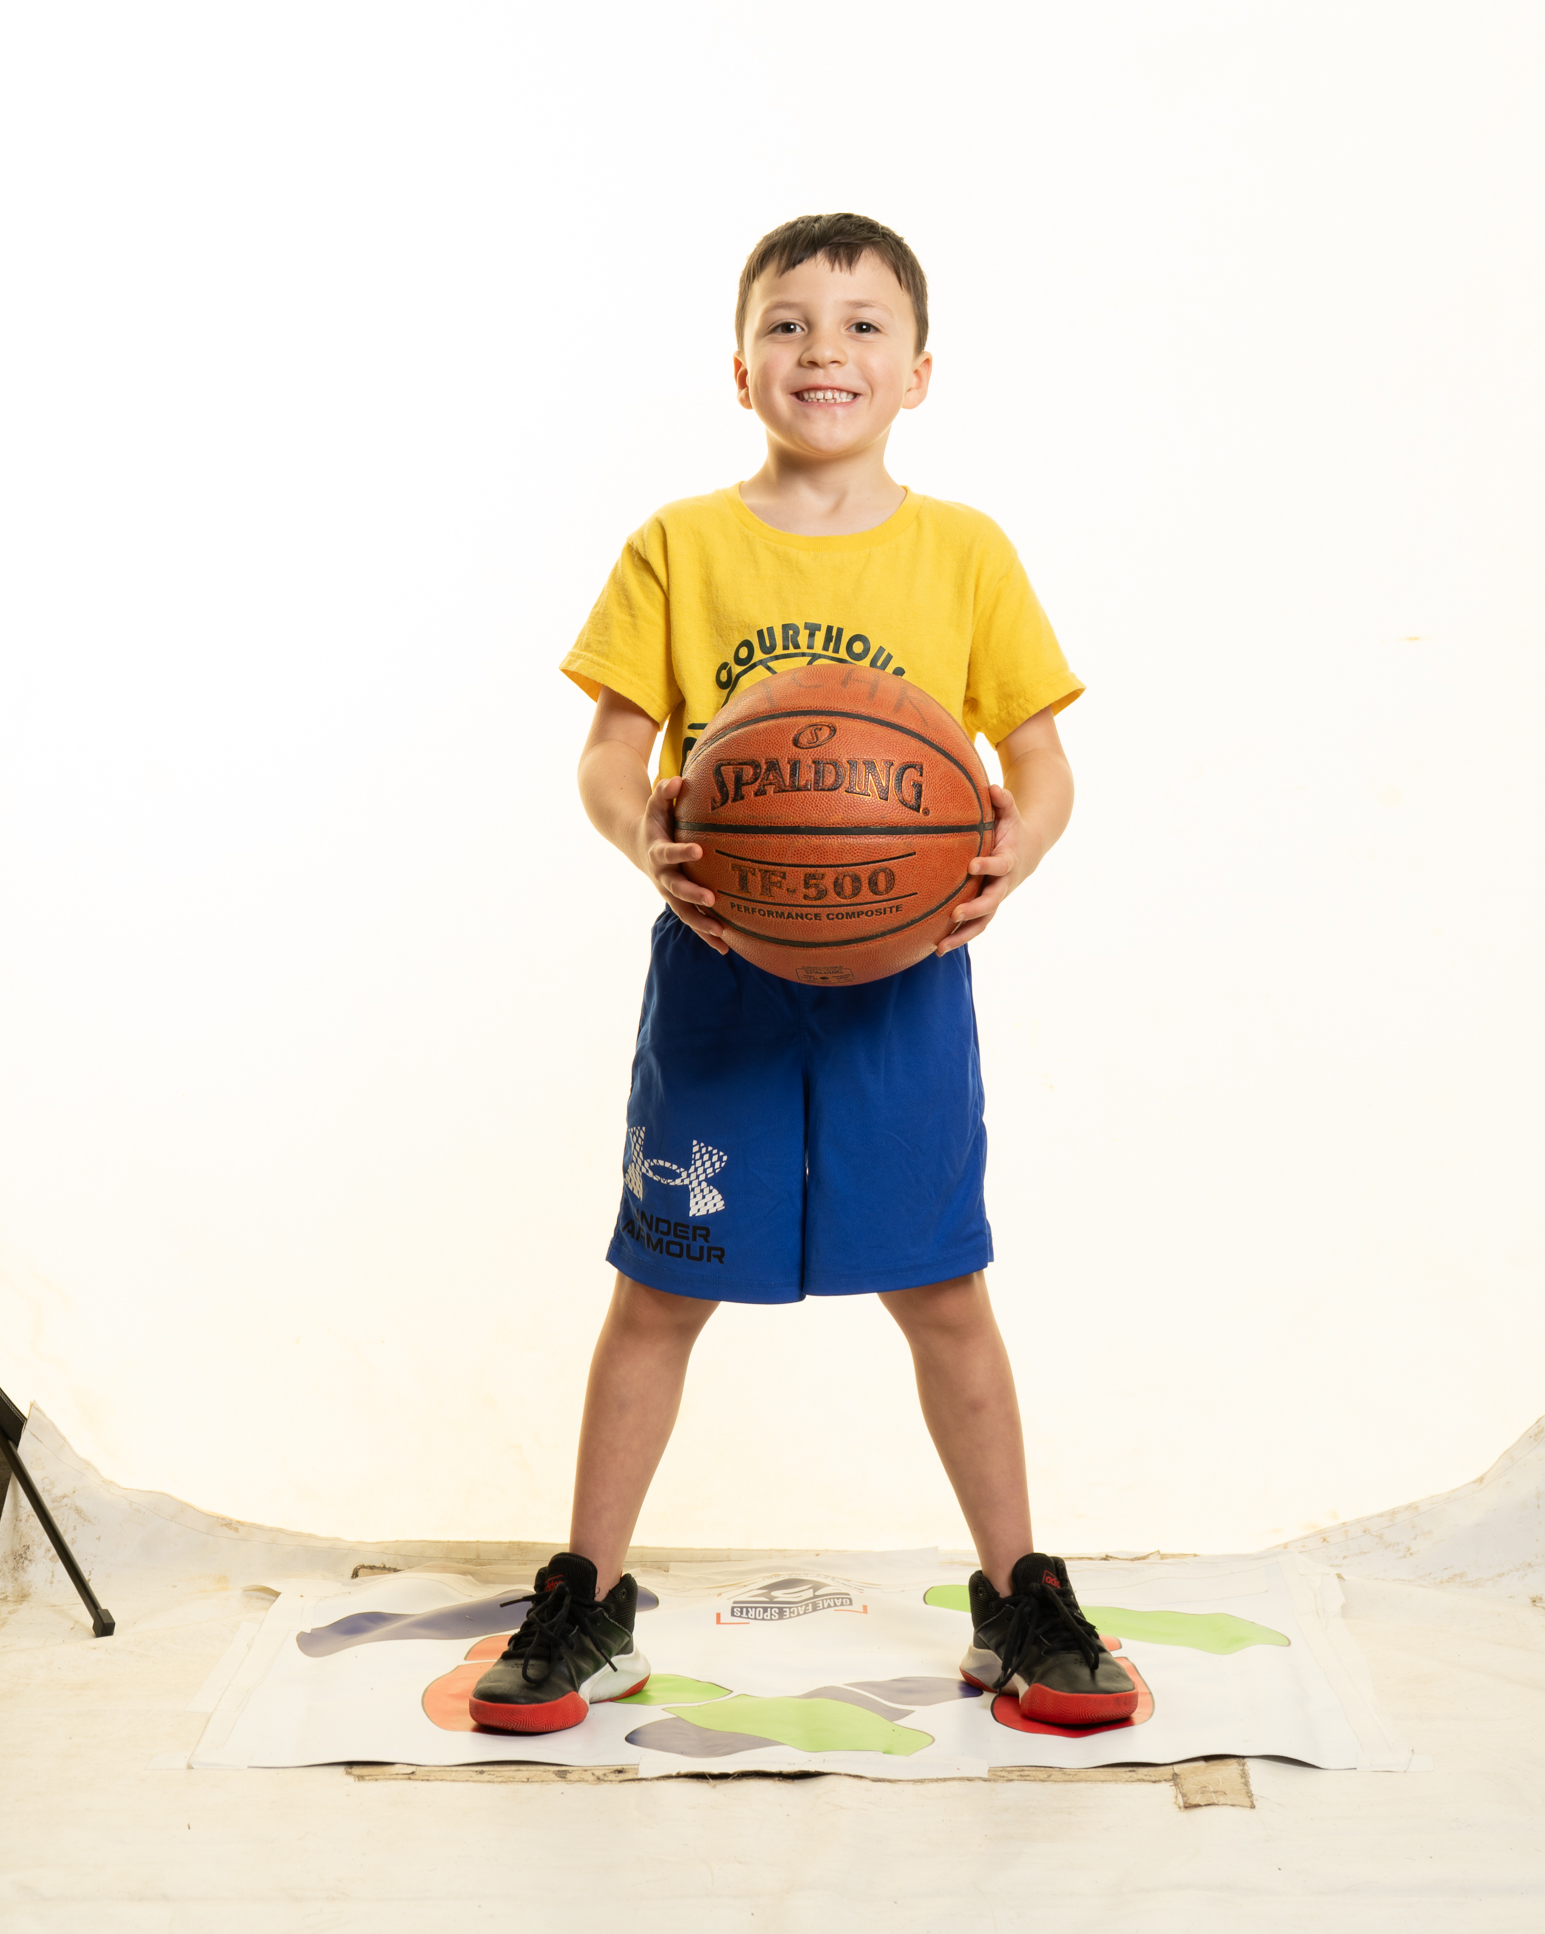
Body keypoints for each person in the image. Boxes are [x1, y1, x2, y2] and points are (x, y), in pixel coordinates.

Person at [469, 213, 1139, 1737]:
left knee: (943, 1290)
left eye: (859, 324)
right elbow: (607, 753)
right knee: (657, 1292)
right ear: (738, 366)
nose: (822, 349)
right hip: (721, 971)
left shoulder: (965, 551)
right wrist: (645, 836)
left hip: (904, 982)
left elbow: (1040, 761)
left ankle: (1017, 1594)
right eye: (786, 323)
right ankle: (589, 1597)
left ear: (918, 371)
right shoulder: (679, 543)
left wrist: (1014, 849)